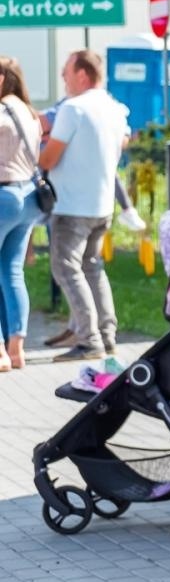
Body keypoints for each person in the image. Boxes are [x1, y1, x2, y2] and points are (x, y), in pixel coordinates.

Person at [38, 50, 130, 363]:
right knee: (92, 267)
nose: (63, 78)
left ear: (82, 74)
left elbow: (49, 158)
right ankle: (107, 335)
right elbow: (120, 146)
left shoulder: (73, 109)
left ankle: (89, 340)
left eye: (66, 72)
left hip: (72, 203)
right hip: (102, 203)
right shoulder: (116, 109)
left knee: (66, 268)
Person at [0, 57, 44, 372]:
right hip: (28, 198)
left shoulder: (2, 113)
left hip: (2, 195)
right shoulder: (31, 114)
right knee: (12, 272)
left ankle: (0, 355)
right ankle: (16, 349)